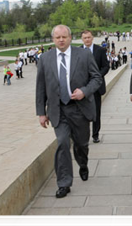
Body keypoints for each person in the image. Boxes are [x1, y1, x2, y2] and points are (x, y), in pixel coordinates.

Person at [36, 25, 102, 199]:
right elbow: (40, 86)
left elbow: (97, 78)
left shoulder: (84, 55)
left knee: (81, 144)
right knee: (63, 143)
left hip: (79, 108)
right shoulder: (45, 58)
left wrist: (84, 91)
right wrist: (41, 112)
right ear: (53, 39)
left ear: (70, 38)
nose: (61, 40)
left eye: (64, 36)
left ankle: (83, 163)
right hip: (58, 110)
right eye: (57, 37)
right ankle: (64, 183)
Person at [81, 30, 110, 144]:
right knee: (83, 112)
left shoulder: (100, 50)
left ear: (92, 38)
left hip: (97, 86)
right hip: (83, 87)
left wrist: (97, 77)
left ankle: (95, 134)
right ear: (82, 39)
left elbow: (106, 66)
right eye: (85, 38)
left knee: (96, 111)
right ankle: (84, 134)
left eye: (89, 37)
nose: (87, 40)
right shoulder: (77, 51)